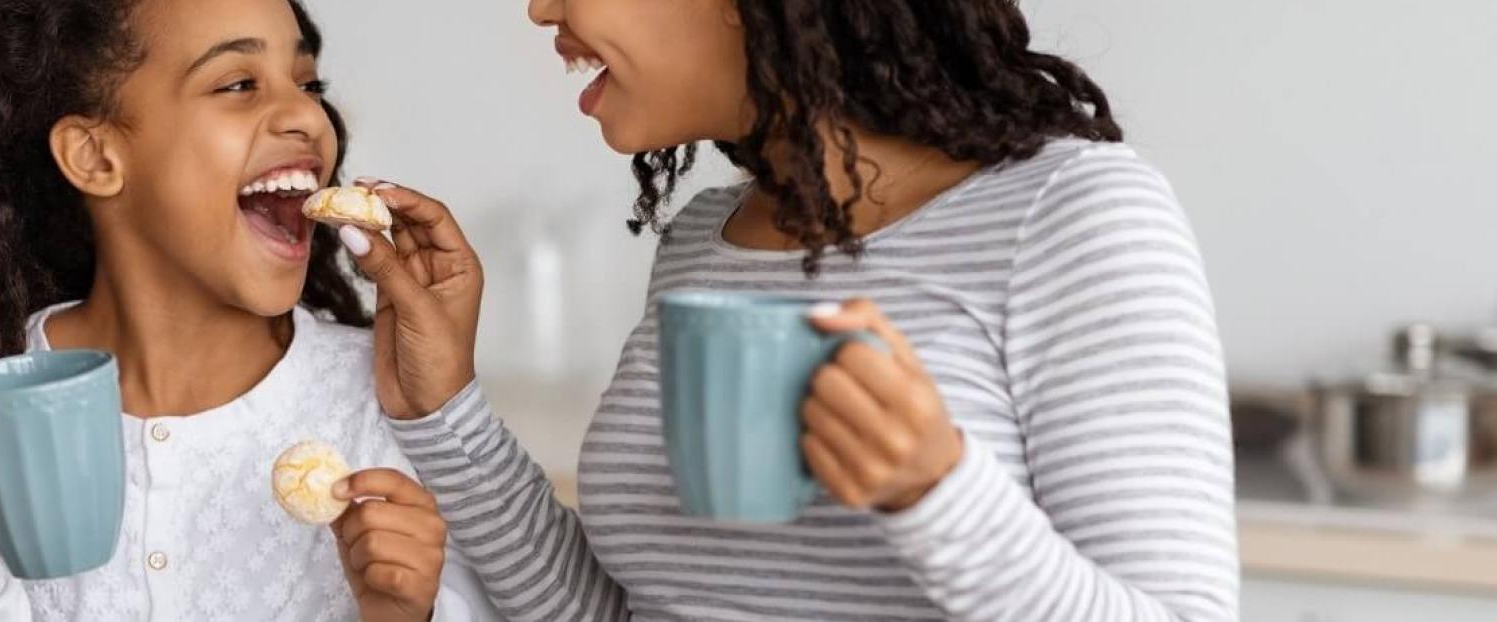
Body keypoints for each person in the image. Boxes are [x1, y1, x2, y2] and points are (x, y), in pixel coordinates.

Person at [335, 0, 1239, 619]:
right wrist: (443, 402)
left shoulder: (1070, 215)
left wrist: (938, 492)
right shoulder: (705, 239)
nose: (538, 7)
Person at [0, 1, 491, 619]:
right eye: (239, 84)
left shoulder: (391, 399)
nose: (308, 115)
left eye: (307, 83)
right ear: (96, 156)